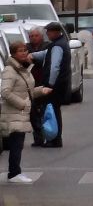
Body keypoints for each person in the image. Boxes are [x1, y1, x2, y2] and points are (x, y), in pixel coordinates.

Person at [1, 40, 37, 183]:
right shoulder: (10, 70)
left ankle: (15, 172)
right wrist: (22, 105)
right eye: (20, 51)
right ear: (14, 54)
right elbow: (5, 92)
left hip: (20, 113)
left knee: (18, 143)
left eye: (25, 50)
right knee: (16, 143)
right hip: (13, 114)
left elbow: (26, 90)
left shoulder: (22, 68)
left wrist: (41, 91)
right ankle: (14, 173)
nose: (24, 53)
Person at [37, 22, 71, 148]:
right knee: (54, 111)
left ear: (56, 32)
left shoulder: (57, 46)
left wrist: (50, 84)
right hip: (60, 84)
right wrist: (33, 55)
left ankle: (54, 138)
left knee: (52, 112)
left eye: (49, 32)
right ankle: (55, 138)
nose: (47, 34)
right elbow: (46, 54)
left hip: (55, 86)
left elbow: (54, 67)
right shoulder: (60, 44)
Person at [27, 26, 47, 147]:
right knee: (33, 112)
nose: (33, 38)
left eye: (36, 35)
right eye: (31, 36)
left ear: (41, 36)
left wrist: (34, 57)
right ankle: (38, 137)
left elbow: (43, 60)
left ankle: (47, 135)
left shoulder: (46, 46)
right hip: (31, 85)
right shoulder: (26, 47)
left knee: (44, 111)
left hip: (43, 82)